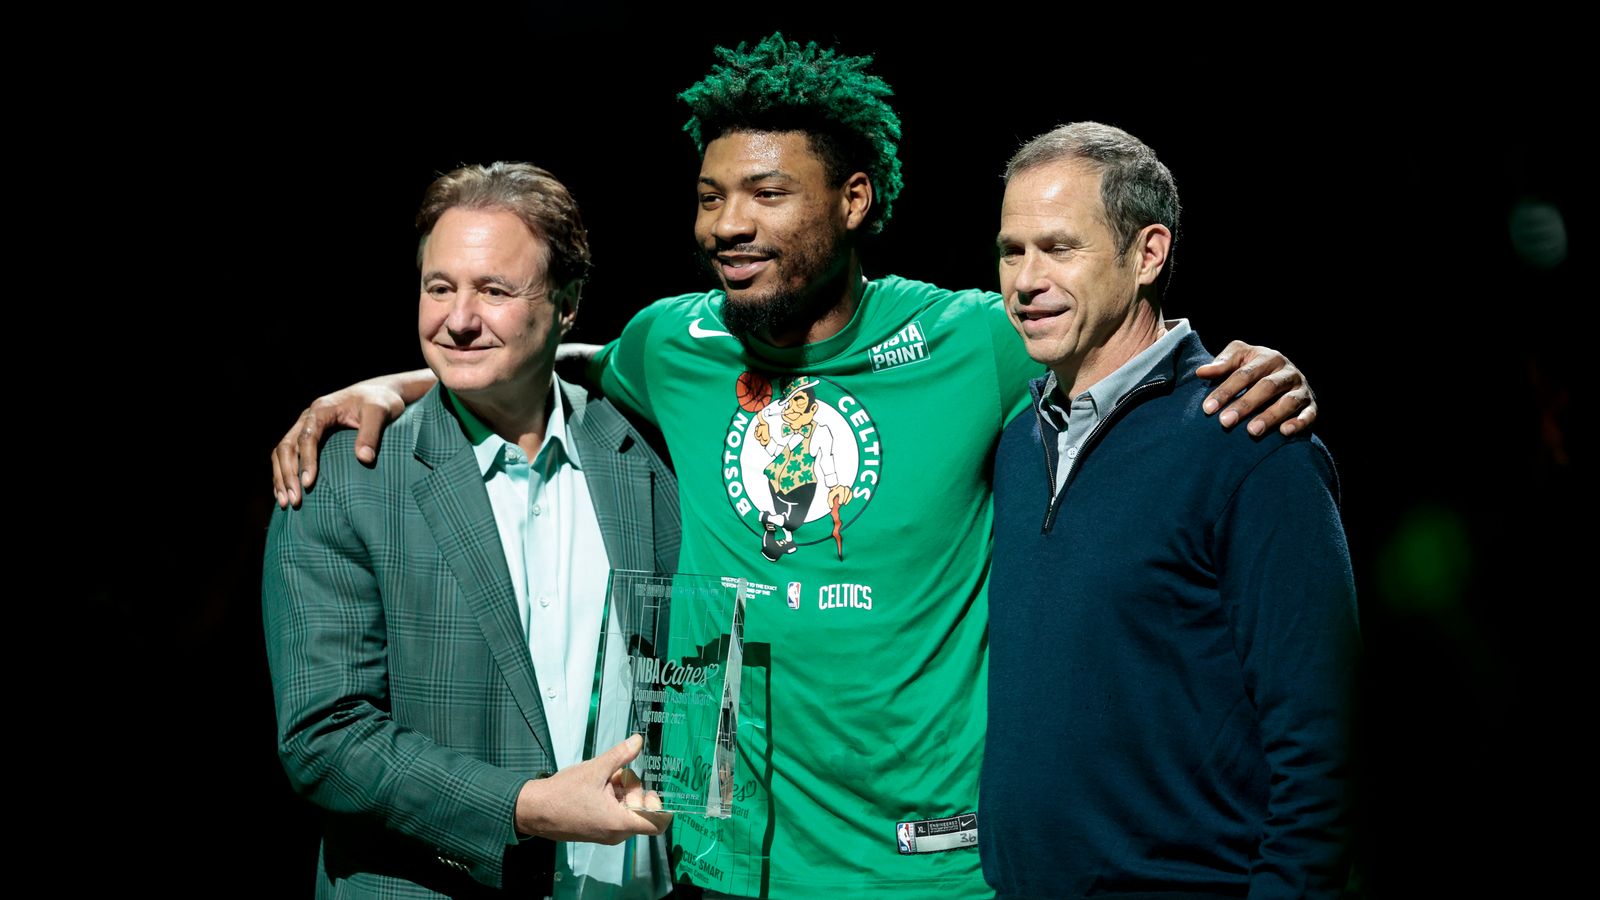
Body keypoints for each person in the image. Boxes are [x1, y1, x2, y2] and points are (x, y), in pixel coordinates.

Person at [270, 36, 1320, 899]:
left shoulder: (972, 340)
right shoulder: (671, 345)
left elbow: (1109, 342)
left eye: (767, 193)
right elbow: (537, 350)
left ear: (855, 199)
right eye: (711, 196)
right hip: (723, 869)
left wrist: (1236, 365)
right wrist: (393, 385)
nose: (729, 224)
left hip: (934, 871)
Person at [262, 162, 680, 899]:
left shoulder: (646, 455)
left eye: (493, 290)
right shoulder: (344, 479)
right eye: (439, 287)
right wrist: (525, 810)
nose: (458, 318)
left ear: (568, 303)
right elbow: (323, 738)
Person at [983, 123, 1360, 898]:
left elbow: (1322, 741)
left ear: (1148, 253)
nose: (1025, 279)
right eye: (1011, 250)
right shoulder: (1020, 447)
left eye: (1059, 247)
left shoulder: (1249, 439)